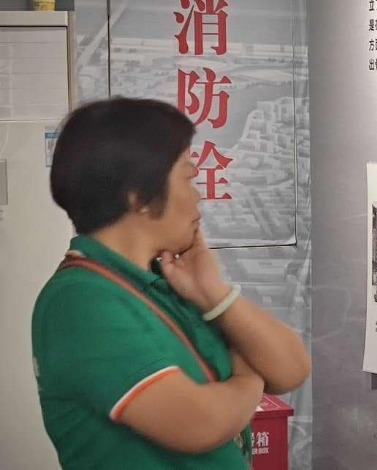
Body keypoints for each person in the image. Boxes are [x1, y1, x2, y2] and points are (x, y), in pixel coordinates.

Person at [31, 98, 311, 469]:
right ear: (141, 197)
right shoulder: (80, 301)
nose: (198, 195)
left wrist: (214, 294)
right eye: (188, 178)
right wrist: (248, 377)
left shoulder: (166, 281)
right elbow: (197, 423)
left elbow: (292, 368)